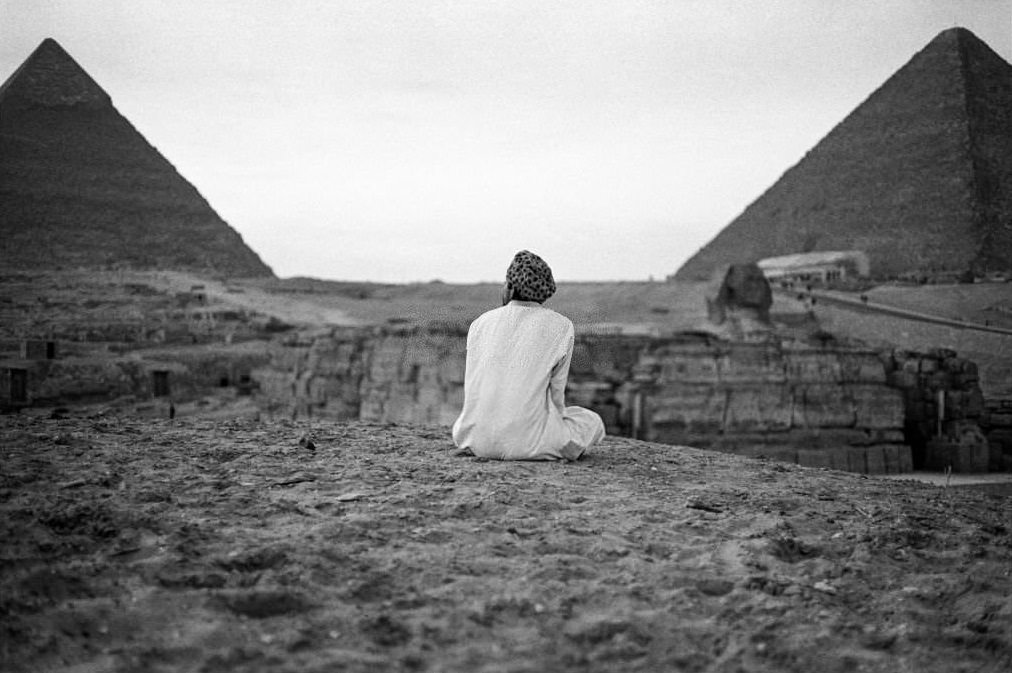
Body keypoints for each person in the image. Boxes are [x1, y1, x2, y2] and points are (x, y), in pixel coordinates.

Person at [451, 250, 606, 460]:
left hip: (473, 439)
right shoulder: (561, 326)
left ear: (510, 287)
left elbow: (473, 386)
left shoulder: (480, 323)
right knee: (591, 421)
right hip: (528, 445)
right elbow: (556, 395)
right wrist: (557, 426)